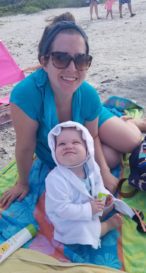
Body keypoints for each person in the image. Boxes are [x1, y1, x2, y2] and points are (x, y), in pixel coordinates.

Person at [0, 12, 145, 210]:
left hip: (90, 119)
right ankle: (116, 126)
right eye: (60, 58)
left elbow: (92, 136)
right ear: (44, 61)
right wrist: (22, 182)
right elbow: (25, 146)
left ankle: (130, 123)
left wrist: (102, 172)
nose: (72, 68)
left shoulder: (88, 94)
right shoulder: (26, 96)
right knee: (109, 158)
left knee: (133, 142)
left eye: (81, 60)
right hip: (64, 141)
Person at [45, 121, 135, 249]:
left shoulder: (91, 168)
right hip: (68, 218)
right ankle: (106, 226)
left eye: (75, 142)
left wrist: (103, 197)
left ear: (87, 148)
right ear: (54, 151)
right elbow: (61, 209)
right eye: (61, 144)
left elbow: (98, 185)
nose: (68, 146)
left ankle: (98, 215)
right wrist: (88, 209)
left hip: (91, 204)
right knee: (80, 230)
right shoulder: (55, 179)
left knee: (109, 201)